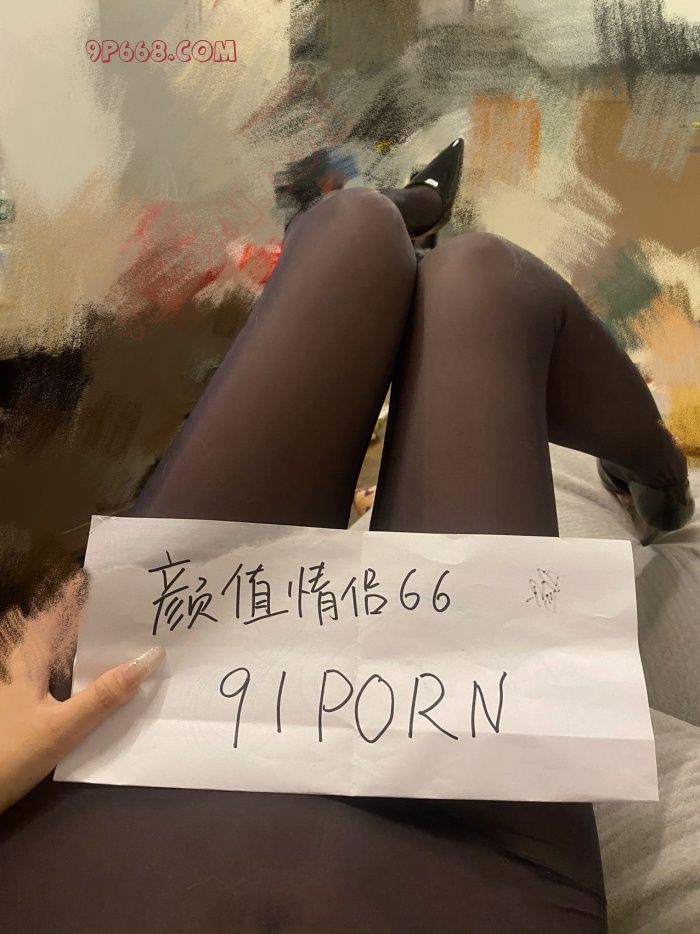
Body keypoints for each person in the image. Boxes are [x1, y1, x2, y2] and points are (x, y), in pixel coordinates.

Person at [0, 138, 694, 933]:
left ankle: (396, 215)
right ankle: (660, 477)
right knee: (481, 282)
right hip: (468, 882)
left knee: (355, 229)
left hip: (79, 787)